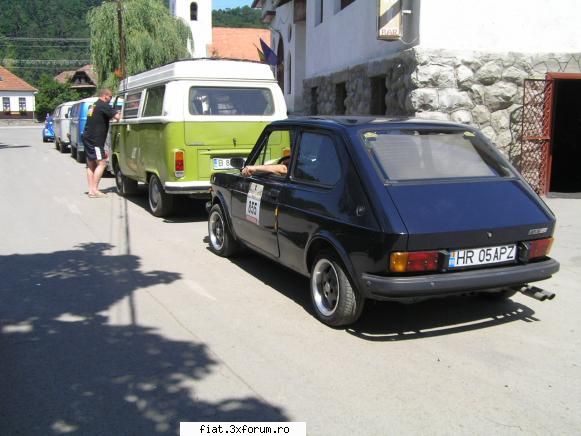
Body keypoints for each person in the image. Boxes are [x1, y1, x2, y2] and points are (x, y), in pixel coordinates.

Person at [83, 88, 120, 198]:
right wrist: (120, 113)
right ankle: (95, 190)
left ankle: (90, 190)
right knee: (102, 163)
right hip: (96, 140)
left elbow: (98, 119)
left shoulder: (93, 106)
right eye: (110, 97)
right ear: (105, 96)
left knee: (90, 164)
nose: (111, 99)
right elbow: (118, 117)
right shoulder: (103, 105)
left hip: (87, 137)